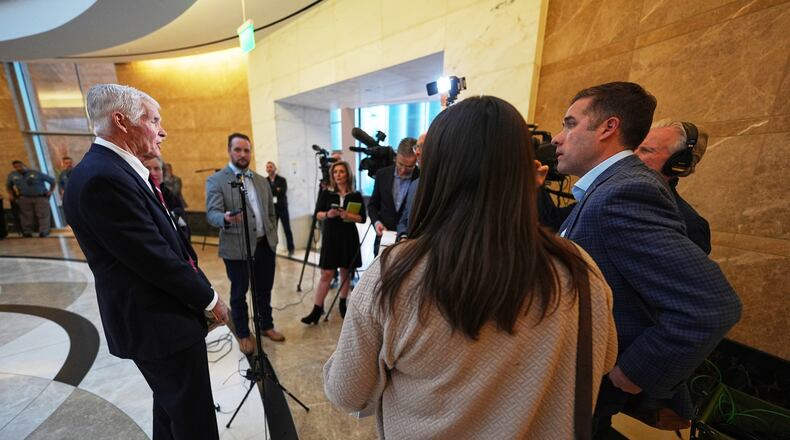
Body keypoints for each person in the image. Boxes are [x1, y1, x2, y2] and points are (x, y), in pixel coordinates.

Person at [324, 96, 618, 439]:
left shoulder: (396, 274)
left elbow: (347, 393)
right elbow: (605, 358)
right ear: (526, 169)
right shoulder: (579, 269)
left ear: (435, 173)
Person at [552, 82, 741, 436]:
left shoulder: (624, 192)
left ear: (608, 127)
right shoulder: (607, 188)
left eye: (570, 124)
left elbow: (712, 306)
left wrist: (633, 373)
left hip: (596, 381)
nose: (557, 138)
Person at [63, 84, 229, 440]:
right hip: (158, 323)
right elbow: (154, 257)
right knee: (194, 419)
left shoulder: (111, 170)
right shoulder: (102, 178)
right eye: (153, 120)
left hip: (159, 320)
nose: (162, 131)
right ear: (121, 121)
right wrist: (210, 299)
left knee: (171, 410)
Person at [206, 133, 285, 353]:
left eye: (246, 150)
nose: (243, 154)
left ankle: (266, 325)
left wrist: (272, 235)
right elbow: (211, 214)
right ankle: (242, 333)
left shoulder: (261, 180)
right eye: (238, 150)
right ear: (229, 151)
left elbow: (270, 212)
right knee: (239, 293)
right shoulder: (216, 180)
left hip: (264, 245)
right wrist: (225, 219)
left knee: (264, 290)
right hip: (236, 248)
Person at [300, 161, 366, 324]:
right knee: (327, 273)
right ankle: (316, 310)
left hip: (348, 236)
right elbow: (317, 214)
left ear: (347, 174)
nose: (338, 175)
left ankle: (343, 303)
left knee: (345, 272)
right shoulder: (326, 194)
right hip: (331, 237)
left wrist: (348, 216)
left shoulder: (355, 195)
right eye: (335, 172)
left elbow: (363, 218)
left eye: (341, 171)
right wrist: (328, 214)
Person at [635, 120, 711, 254]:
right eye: (634, 148)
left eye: (646, 150)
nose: (632, 156)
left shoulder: (690, 225)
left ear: (677, 163)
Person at [367, 137, 419, 256]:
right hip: (384, 237)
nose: (403, 170)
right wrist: (377, 223)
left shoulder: (421, 178)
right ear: (396, 157)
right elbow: (372, 206)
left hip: (409, 241)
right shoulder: (382, 174)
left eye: (409, 166)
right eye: (400, 164)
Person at [144, 156, 190, 239]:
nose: (153, 173)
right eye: (147, 168)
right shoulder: (138, 196)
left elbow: (183, 229)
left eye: (157, 169)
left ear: (163, 172)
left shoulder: (173, 199)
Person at [6, 160, 55, 237]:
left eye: (20, 166)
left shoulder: (35, 173)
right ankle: (27, 231)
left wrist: (50, 191)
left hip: (40, 197)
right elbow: (9, 186)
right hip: (24, 197)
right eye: (16, 167)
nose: (18, 168)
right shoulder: (12, 175)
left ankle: (44, 231)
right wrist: (11, 195)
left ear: (24, 165)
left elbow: (52, 181)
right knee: (26, 216)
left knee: (43, 214)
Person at [395, 133, 425, 239]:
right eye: (416, 147)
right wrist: (403, 236)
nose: (416, 152)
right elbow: (404, 220)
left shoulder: (444, 186)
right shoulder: (414, 185)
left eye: (421, 147)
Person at [265, 161, 295, 257]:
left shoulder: (282, 180)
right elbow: (266, 194)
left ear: (275, 168)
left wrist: (272, 190)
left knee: (287, 229)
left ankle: (291, 249)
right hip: (272, 209)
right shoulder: (265, 181)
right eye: (267, 167)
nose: (269, 169)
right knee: (273, 231)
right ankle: (272, 249)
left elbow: (282, 192)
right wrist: (276, 189)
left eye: (271, 167)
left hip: (282, 207)